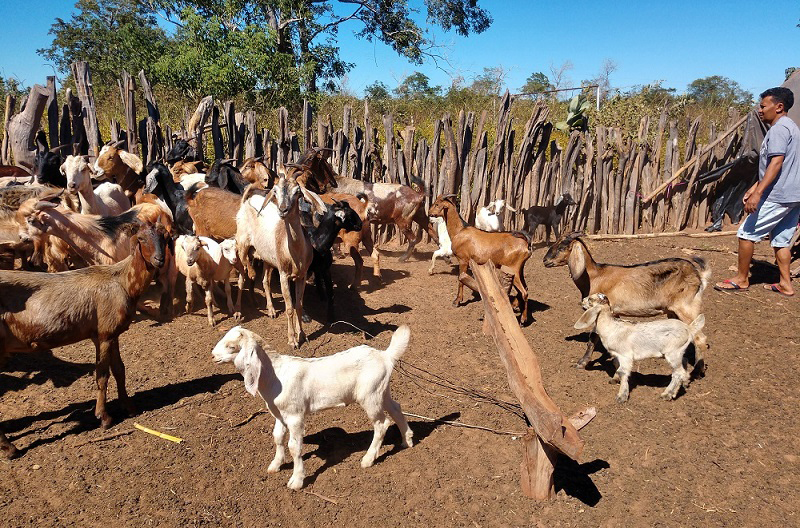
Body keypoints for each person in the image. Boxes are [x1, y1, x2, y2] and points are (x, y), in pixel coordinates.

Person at [715, 87, 800, 296]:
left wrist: (758, 193)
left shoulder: (779, 130)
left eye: (763, 106)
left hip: (778, 195)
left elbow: (777, 163)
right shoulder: (792, 127)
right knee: (781, 240)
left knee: (746, 234)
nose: (760, 110)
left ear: (779, 107)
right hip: (793, 195)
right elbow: (783, 164)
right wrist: (755, 186)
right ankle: (785, 284)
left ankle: (742, 279)